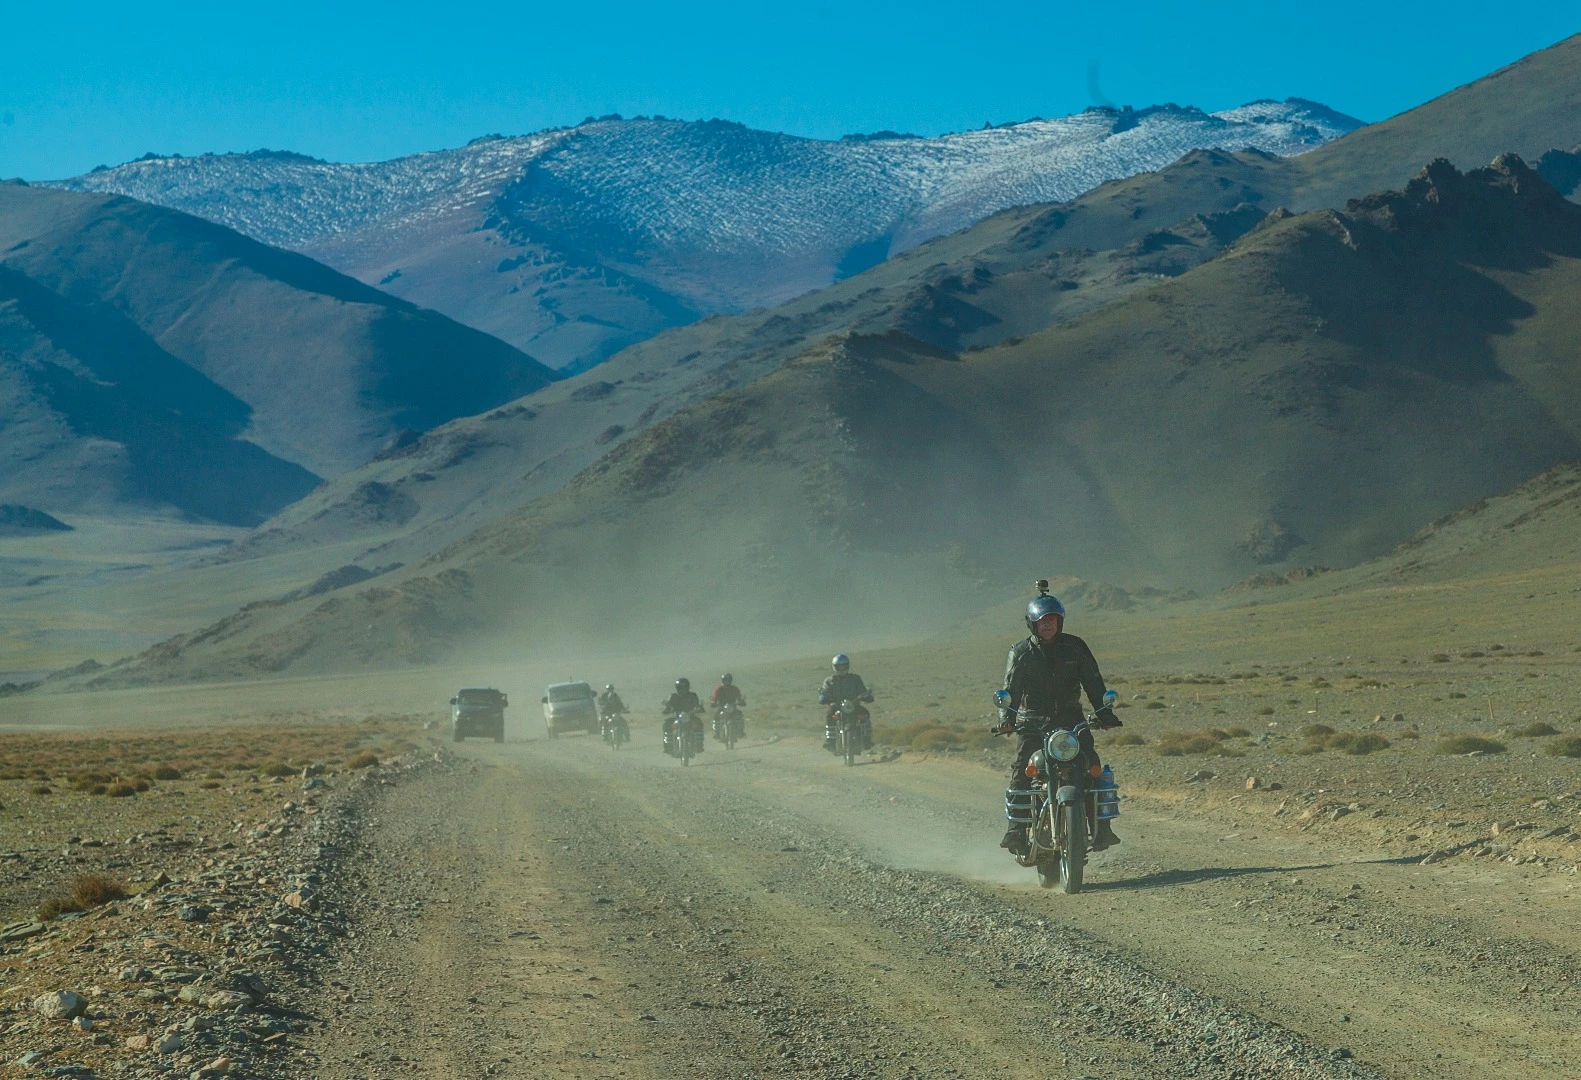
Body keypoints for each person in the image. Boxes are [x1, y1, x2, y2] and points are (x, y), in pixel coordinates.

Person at [996, 583, 1123, 852]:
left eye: (1053, 619)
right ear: (1032, 623)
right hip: (1033, 722)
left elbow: (1094, 682)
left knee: (1092, 766)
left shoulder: (1075, 647)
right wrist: (1006, 717)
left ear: (1060, 621)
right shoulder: (1020, 652)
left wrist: (1105, 712)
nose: (1048, 624)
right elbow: (1011, 689)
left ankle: (1103, 828)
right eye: (1043, 620)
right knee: (1022, 770)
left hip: (1071, 720)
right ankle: (1016, 831)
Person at [818, 654, 873, 751]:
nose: (841, 669)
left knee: (865, 714)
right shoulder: (829, 681)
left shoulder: (855, 679)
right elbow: (825, 691)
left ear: (848, 666)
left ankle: (866, 739)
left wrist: (867, 696)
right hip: (837, 705)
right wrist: (823, 697)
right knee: (829, 714)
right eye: (839, 667)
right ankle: (830, 740)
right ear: (834, 667)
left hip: (854, 705)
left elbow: (862, 690)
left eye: (844, 666)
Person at [662, 677, 704, 756]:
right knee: (667, 725)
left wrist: (699, 708)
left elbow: (697, 705)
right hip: (676, 717)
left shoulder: (692, 695)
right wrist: (666, 709)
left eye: (685, 688)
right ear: (677, 688)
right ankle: (668, 746)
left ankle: (699, 745)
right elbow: (668, 705)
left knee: (699, 723)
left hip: (690, 717)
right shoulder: (673, 696)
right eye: (681, 688)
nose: (683, 690)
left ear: (688, 687)